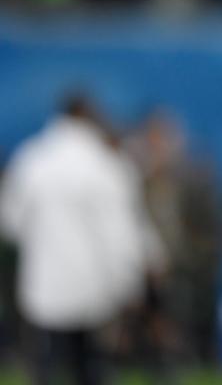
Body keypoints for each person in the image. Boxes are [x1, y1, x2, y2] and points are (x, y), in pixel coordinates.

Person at [0, 94, 155, 385]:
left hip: (43, 288)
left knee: (44, 367)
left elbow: (10, 223)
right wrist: (129, 283)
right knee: (90, 367)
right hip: (93, 289)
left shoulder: (32, 158)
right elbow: (122, 232)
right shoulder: (106, 164)